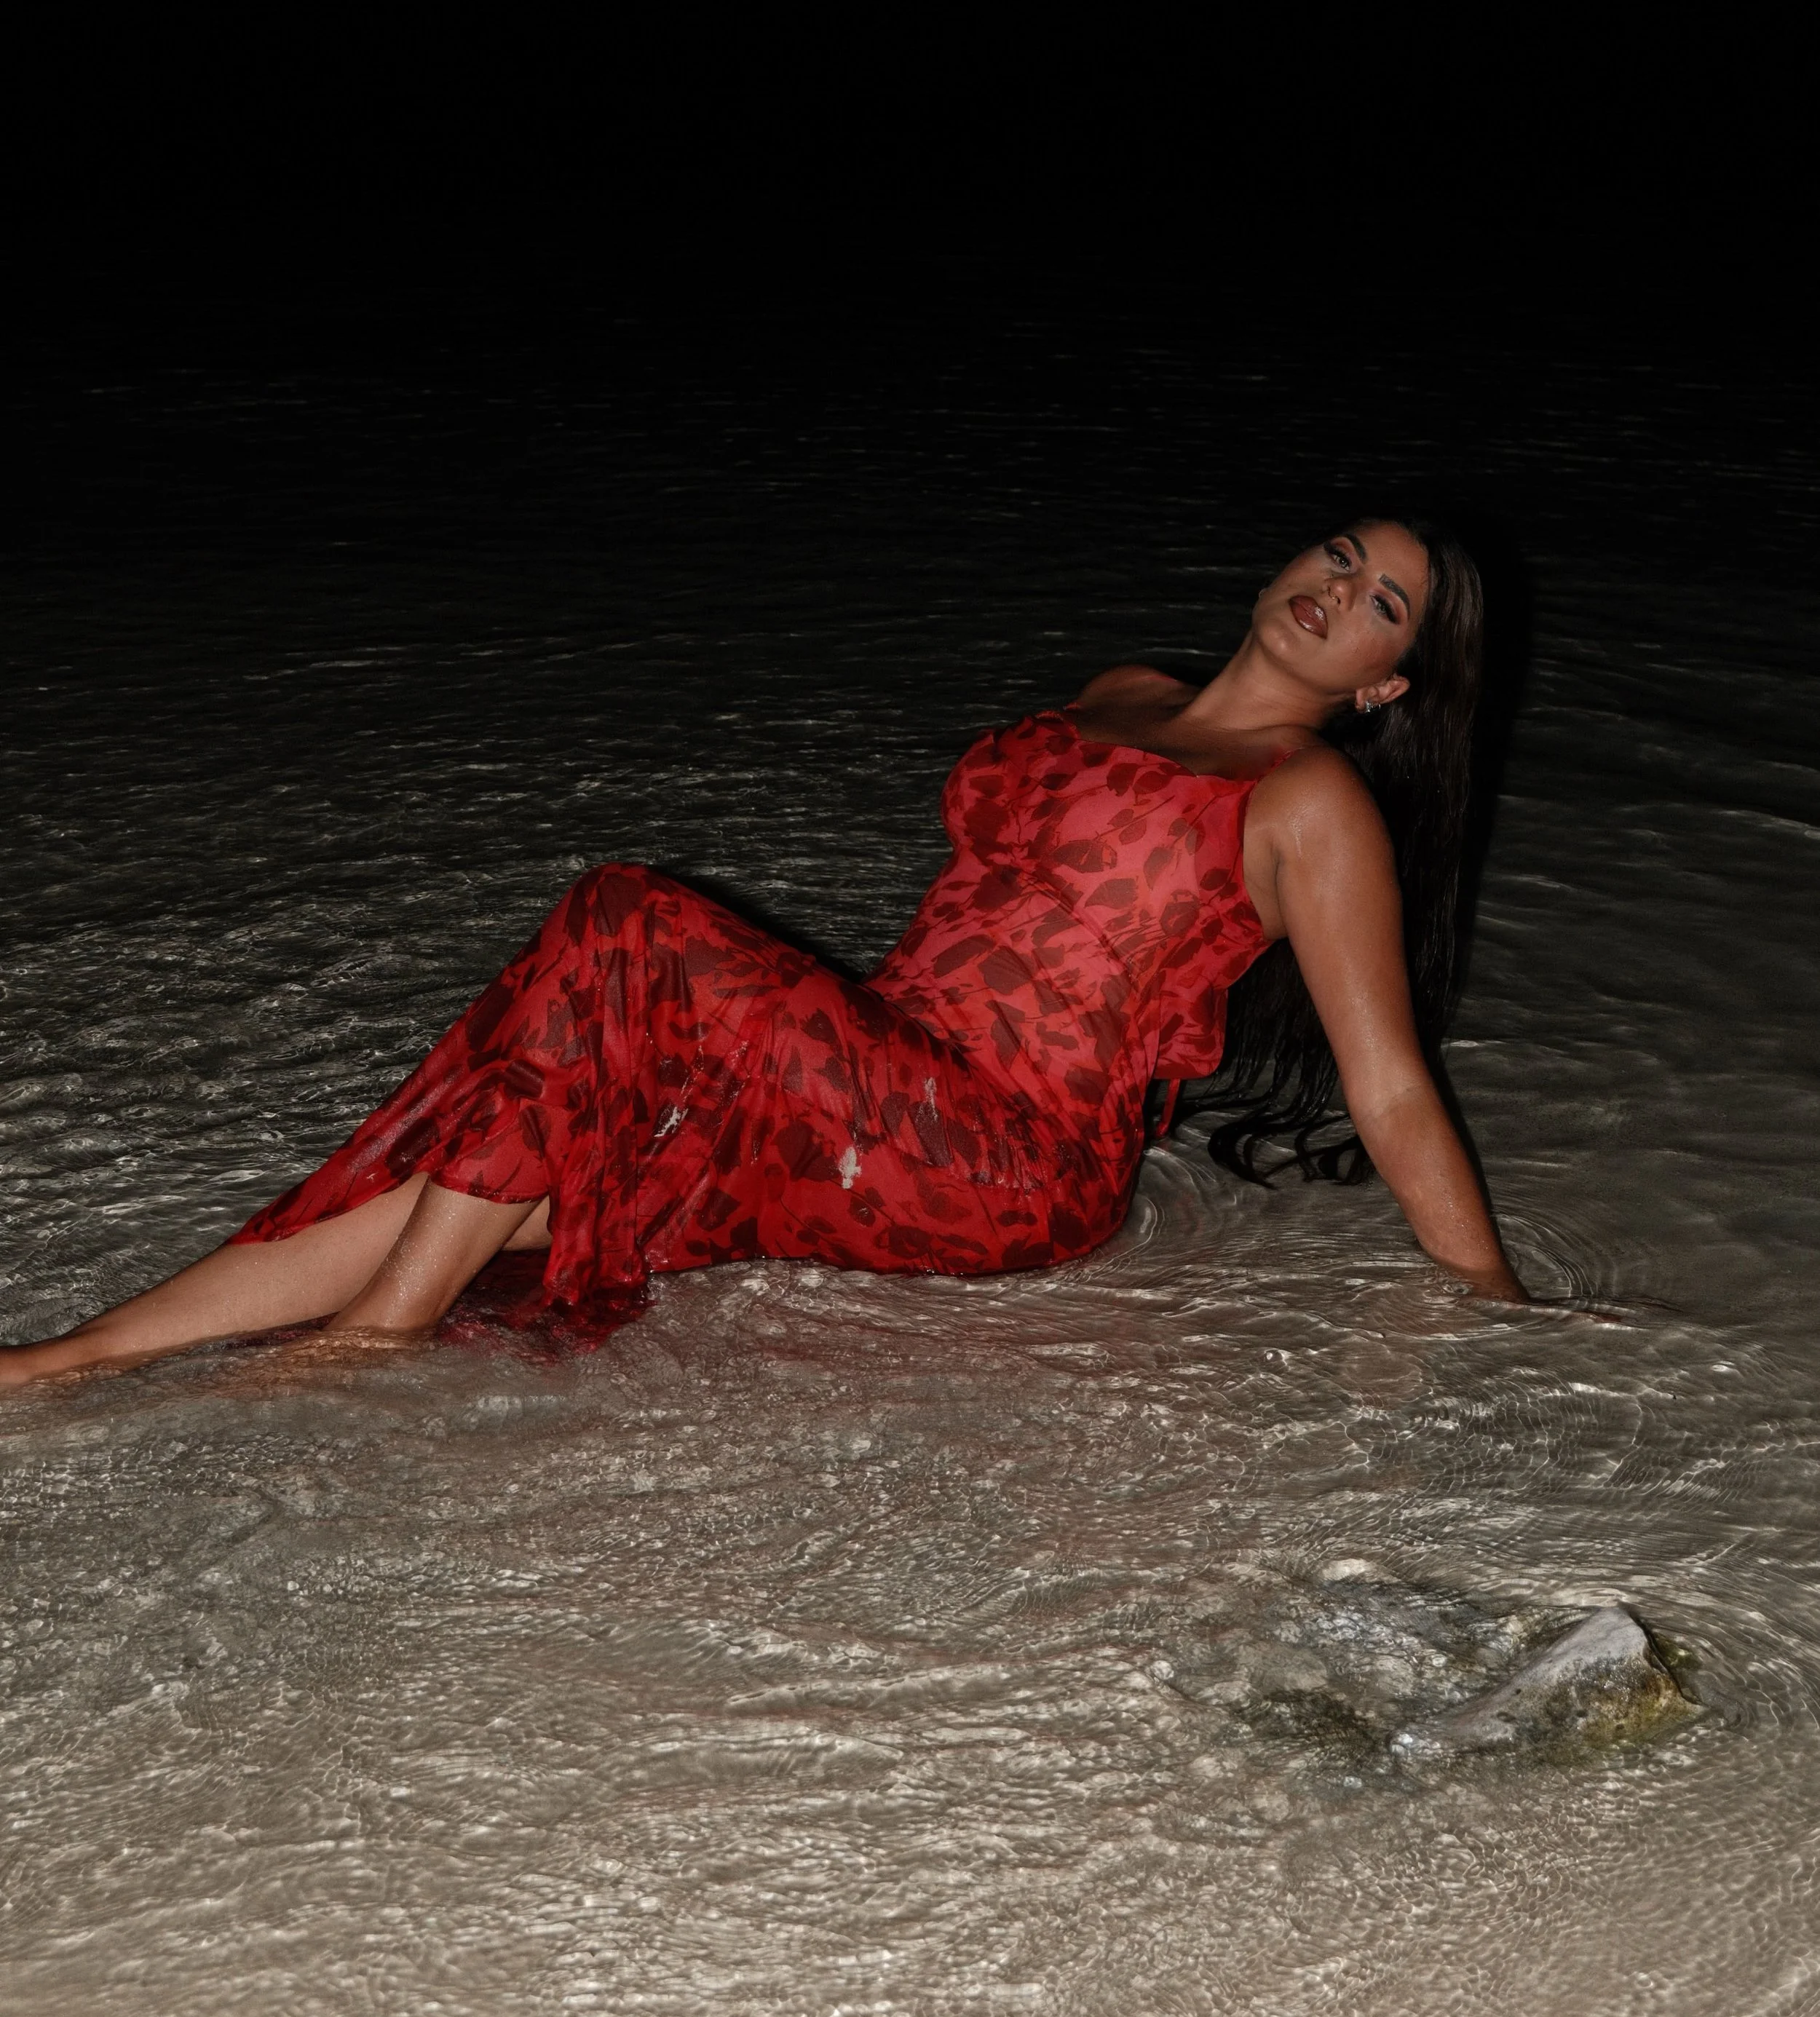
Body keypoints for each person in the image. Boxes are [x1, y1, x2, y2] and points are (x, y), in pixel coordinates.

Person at [0, 516, 1532, 1390]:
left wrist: (1496, 1308)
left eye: (1379, 606)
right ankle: (64, 1360)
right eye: (1337, 557)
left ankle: (373, 1336)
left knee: (627, 916)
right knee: (528, 1129)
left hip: (1005, 1159)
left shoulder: (1309, 802)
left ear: (1385, 683)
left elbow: (1389, 1083)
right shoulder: (1119, 688)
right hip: (878, 1079)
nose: (1335, 592)